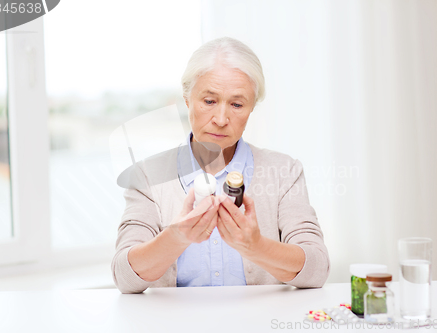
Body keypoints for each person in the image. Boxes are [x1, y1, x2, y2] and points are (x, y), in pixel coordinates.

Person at [111, 37, 330, 293]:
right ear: (187, 99)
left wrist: (256, 246)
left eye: (237, 104)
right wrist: (176, 238)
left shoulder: (284, 172)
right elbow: (124, 277)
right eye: (209, 101)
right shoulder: (146, 176)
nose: (222, 119)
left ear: (251, 108)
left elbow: (317, 269)